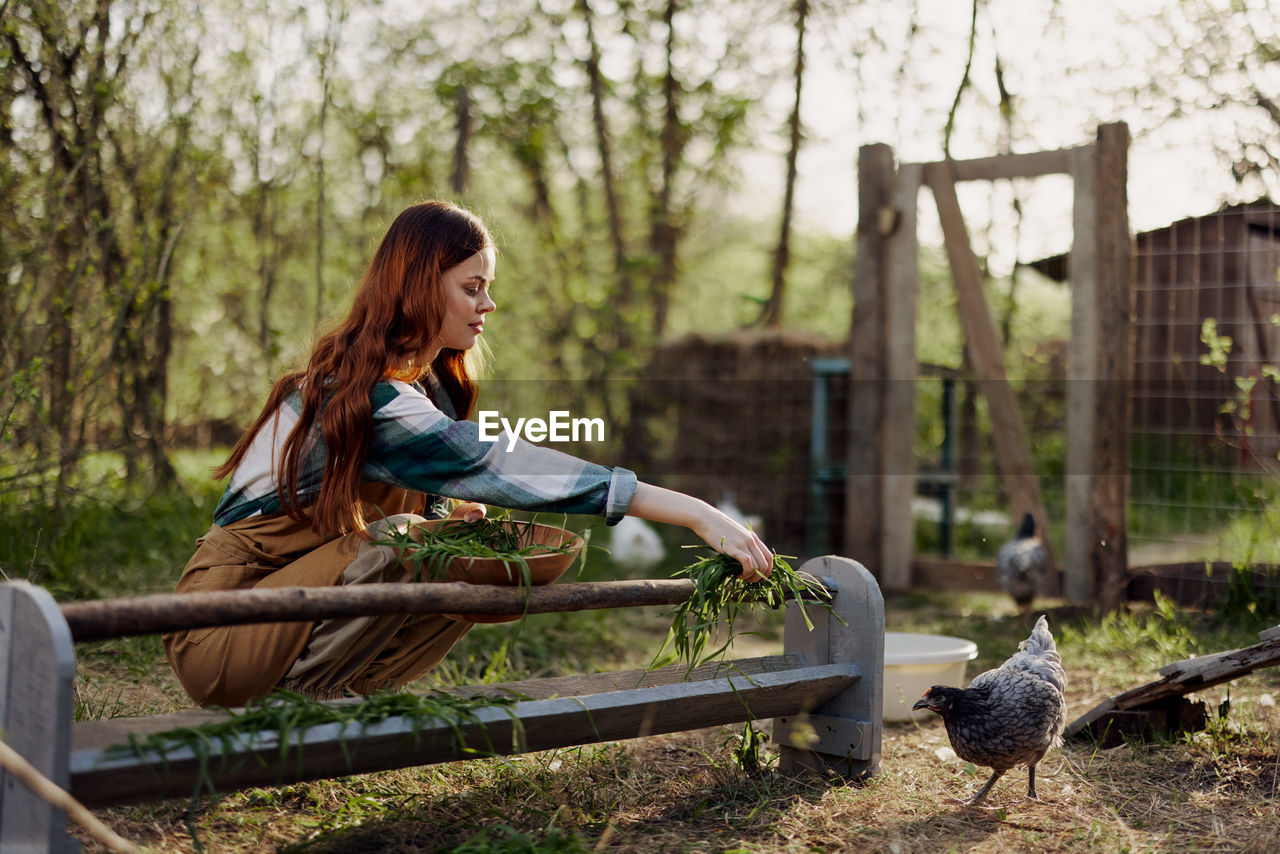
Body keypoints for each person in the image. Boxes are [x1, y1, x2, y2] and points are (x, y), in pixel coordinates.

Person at [163, 200, 773, 708]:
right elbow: (503, 466)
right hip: (222, 632)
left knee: (454, 545)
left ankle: (343, 695)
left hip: (281, 612)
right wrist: (696, 513)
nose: (488, 306)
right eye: (471, 288)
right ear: (421, 289)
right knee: (408, 537)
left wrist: (444, 526)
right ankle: (297, 702)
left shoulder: (416, 392)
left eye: (488, 288)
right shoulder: (366, 398)